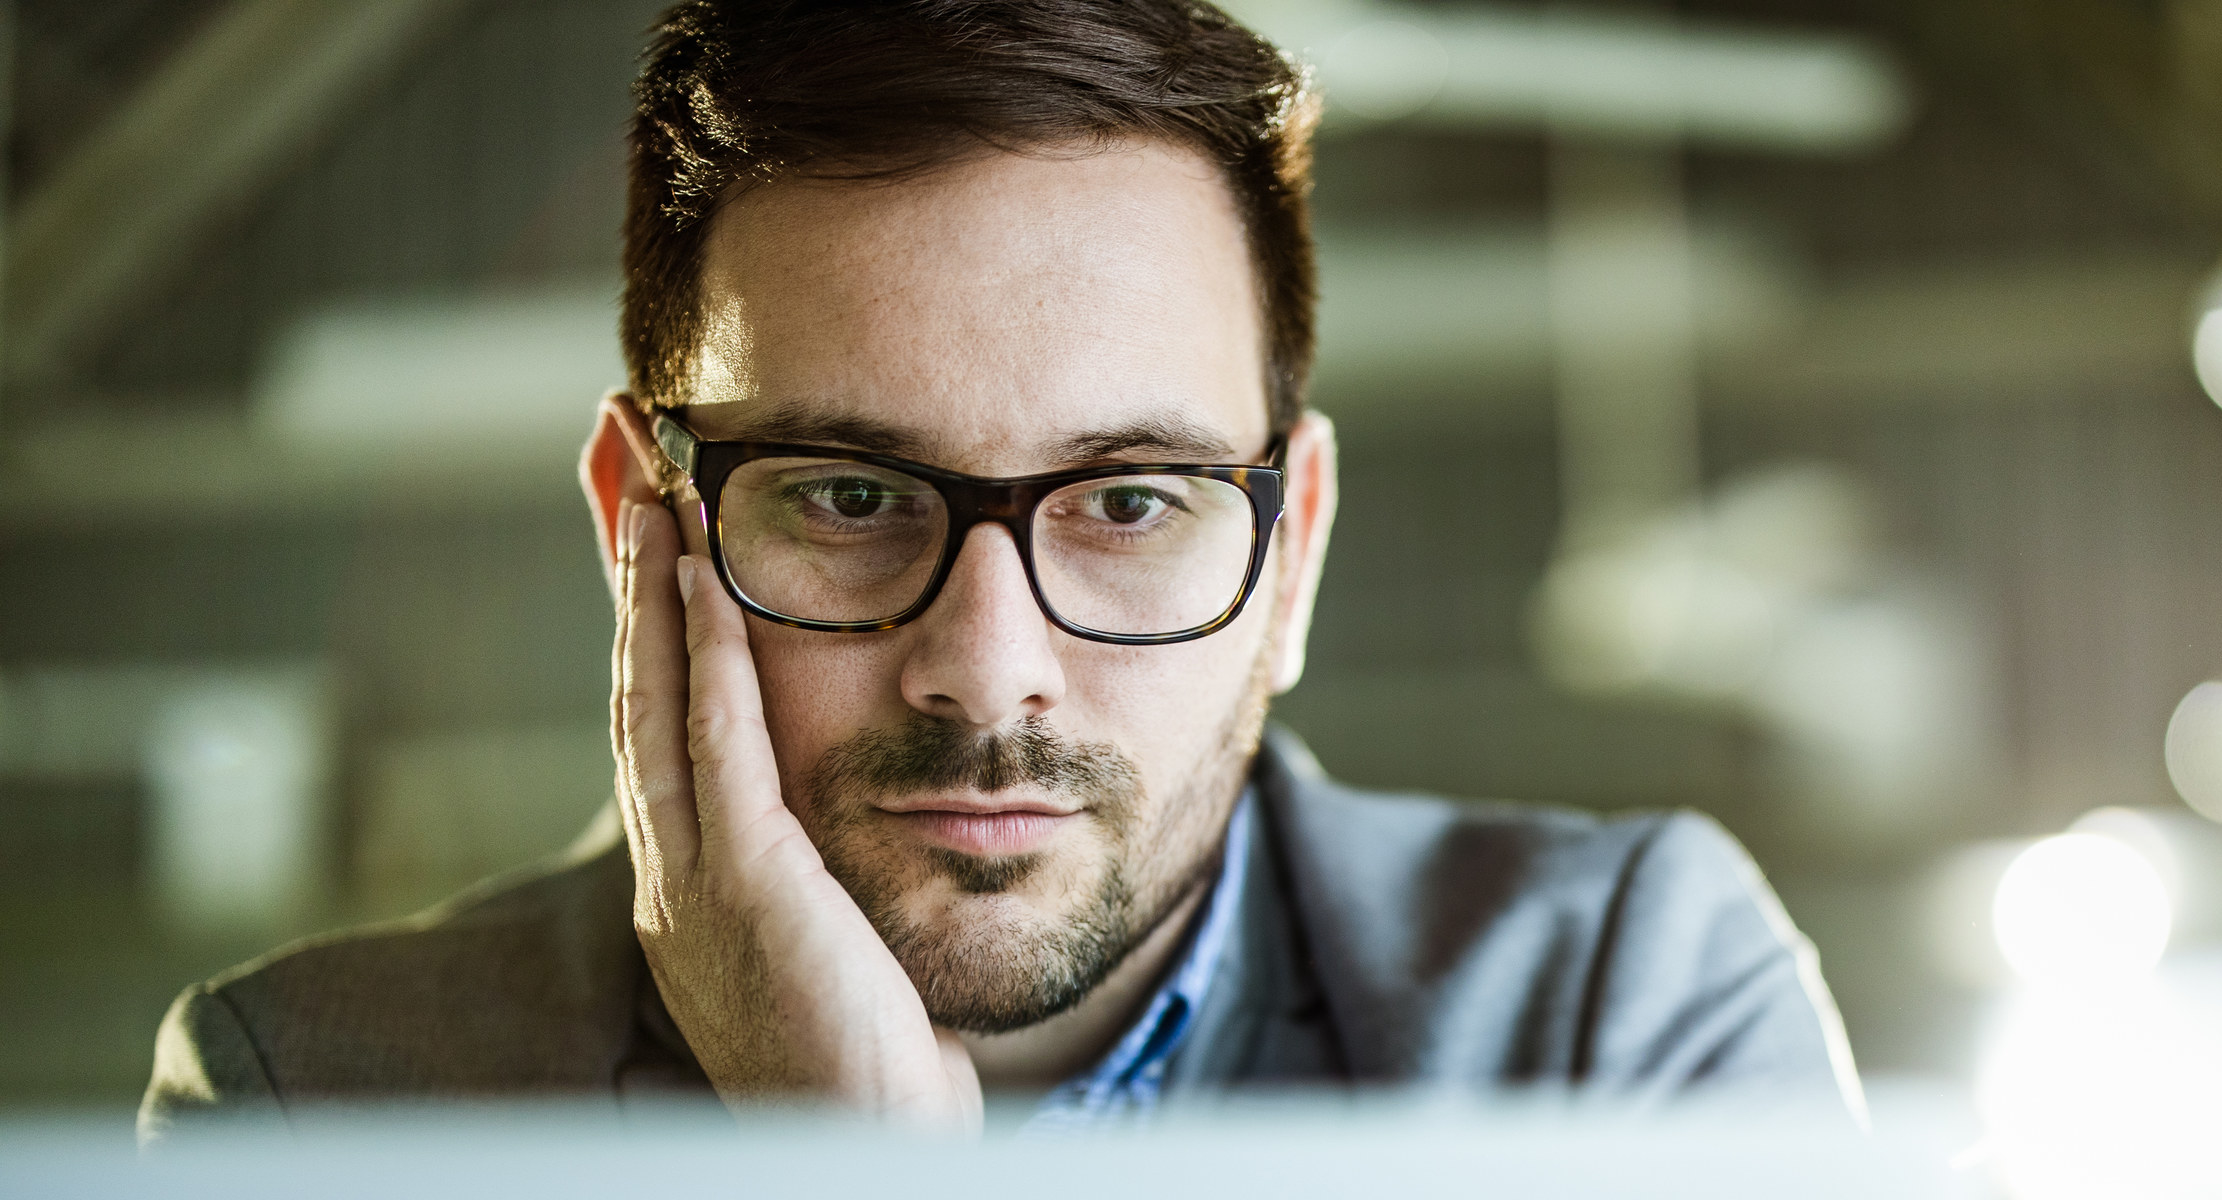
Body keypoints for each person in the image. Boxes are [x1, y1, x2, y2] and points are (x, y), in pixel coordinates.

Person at [137, 0, 1859, 1138]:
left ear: (1296, 552)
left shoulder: (1620, 1024)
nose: (988, 665)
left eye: (1128, 506)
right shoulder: (318, 1116)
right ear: (636, 529)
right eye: (844, 493)